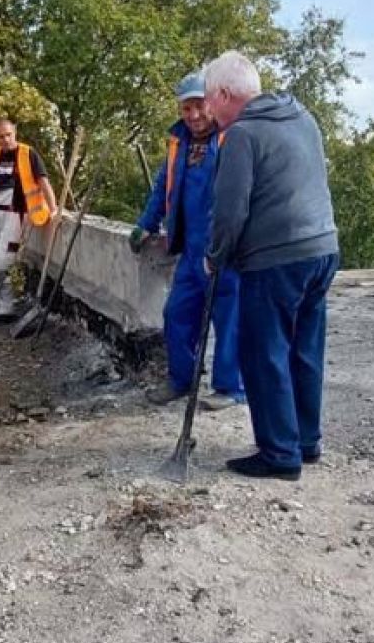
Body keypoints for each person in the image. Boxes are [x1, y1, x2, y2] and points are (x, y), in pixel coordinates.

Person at [203, 51, 340, 481]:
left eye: (209, 100)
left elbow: (229, 211)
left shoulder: (242, 135)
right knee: (305, 348)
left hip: (276, 258)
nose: (207, 110)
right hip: (322, 250)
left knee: (264, 352)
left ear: (225, 94)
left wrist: (215, 256)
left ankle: (279, 453)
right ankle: (305, 440)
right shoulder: (303, 119)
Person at [132, 71, 244, 410]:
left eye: (199, 107)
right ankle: (182, 379)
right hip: (190, 247)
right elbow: (163, 187)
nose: (193, 116)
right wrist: (145, 224)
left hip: (225, 248)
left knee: (228, 317)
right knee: (177, 314)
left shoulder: (231, 138)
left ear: (212, 103)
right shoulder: (178, 143)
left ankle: (229, 387)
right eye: (186, 109)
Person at [0, 118, 56, 321]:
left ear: (15, 133)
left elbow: (44, 182)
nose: (6, 139)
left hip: (16, 215)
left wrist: (54, 209)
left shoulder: (28, 154)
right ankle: (5, 308)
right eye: (1, 136)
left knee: (3, 260)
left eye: (9, 135)